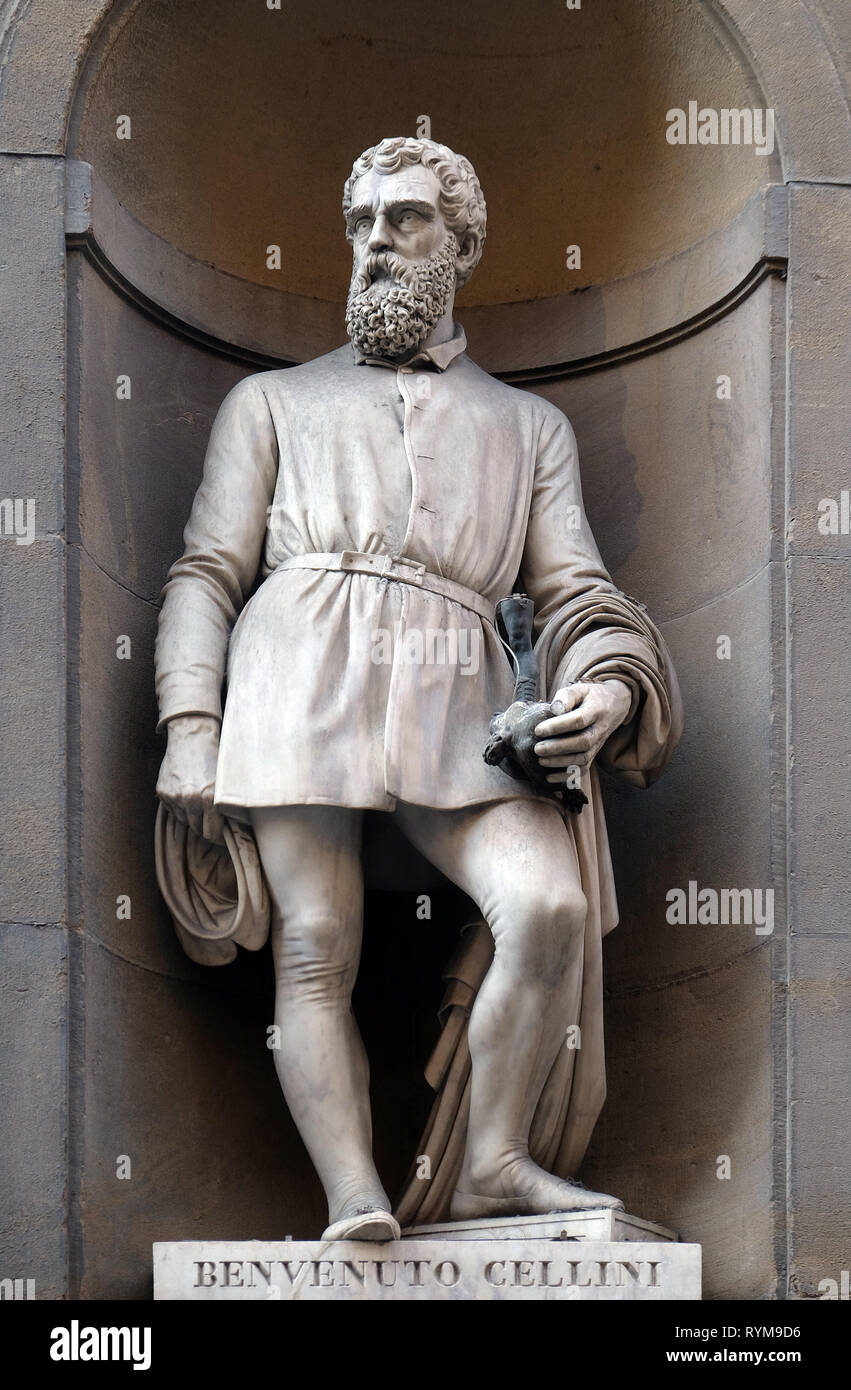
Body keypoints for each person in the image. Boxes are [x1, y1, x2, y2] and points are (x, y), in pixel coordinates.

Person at [155, 137, 682, 1241]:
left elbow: (577, 587)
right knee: (314, 941)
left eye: (403, 220)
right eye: (360, 223)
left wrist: (604, 690)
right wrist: (190, 724)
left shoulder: (529, 426)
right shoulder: (270, 402)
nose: (376, 244)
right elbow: (206, 570)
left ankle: (491, 1158)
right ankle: (352, 1191)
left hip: (462, 694)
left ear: (462, 244)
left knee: (547, 904)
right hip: (299, 663)